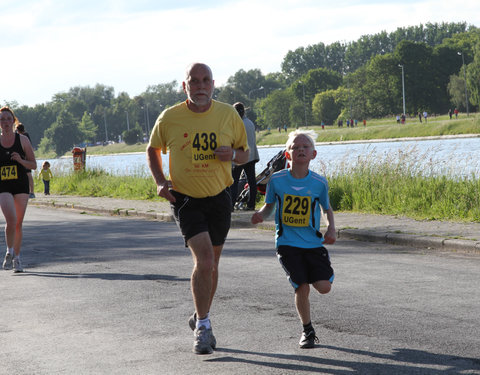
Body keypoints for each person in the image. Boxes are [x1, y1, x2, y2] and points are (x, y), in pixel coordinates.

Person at [146, 63, 249, 355]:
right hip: (186, 199)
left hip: (220, 197)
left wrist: (233, 155)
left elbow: (245, 154)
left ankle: (199, 314)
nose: (201, 86)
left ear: (213, 84)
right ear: (185, 86)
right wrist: (159, 181)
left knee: (212, 265)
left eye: (206, 81)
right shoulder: (170, 117)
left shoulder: (228, 114)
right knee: (204, 261)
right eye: (195, 81)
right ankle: (203, 327)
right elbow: (153, 149)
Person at [251, 129, 336, 349]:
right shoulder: (277, 180)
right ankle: (307, 330)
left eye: (305, 147)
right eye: (294, 147)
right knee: (302, 287)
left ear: (313, 154)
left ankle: (317, 273)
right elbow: (269, 206)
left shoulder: (319, 183)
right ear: (287, 155)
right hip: (287, 243)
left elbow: (327, 209)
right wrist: (261, 215)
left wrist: (331, 229)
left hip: (312, 243)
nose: (300, 150)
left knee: (324, 287)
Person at [1, 107, 37, 273]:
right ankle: (9, 250)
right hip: (3, 186)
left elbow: (33, 164)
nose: (5, 122)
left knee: (18, 223)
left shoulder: (22, 140)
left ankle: (17, 258)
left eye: (8, 119)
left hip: (20, 185)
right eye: (2, 120)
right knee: (11, 219)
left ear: (13, 121)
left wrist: (20, 160)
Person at [230, 102, 259, 211]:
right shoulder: (250, 123)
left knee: (234, 182)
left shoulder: (235, 124)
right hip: (251, 156)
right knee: (252, 181)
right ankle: (251, 204)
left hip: (239, 157)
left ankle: (231, 205)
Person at [15, 123, 35, 198]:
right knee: (26, 175)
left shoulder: (24, 136)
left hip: (25, 159)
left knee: (28, 175)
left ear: (18, 130)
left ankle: (31, 192)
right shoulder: (26, 135)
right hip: (24, 159)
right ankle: (28, 191)